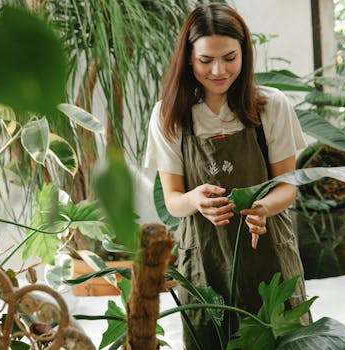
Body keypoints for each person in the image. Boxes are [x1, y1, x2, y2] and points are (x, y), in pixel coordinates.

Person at [144, 3, 310, 349]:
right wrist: (196, 200)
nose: (218, 70)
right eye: (205, 60)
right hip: (206, 260)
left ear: (245, 55)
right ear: (189, 59)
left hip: (268, 253)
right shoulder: (168, 115)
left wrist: (263, 208)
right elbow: (173, 201)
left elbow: (287, 188)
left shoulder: (272, 106)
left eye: (230, 58)